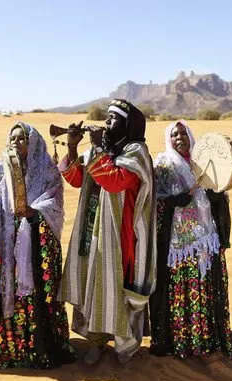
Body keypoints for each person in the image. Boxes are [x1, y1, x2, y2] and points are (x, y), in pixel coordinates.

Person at [59, 99, 156, 365]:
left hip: (122, 235)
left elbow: (116, 181)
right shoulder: (102, 149)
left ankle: (125, 344)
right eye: (107, 117)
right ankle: (97, 340)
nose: (106, 122)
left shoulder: (136, 151)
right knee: (94, 282)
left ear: (127, 123)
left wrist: (99, 148)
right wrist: (72, 145)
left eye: (113, 118)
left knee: (118, 286)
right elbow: (75, 179)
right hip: (94, 231)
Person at [0, 122, 75, 369]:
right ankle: (8, 346)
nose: (16, 143)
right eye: (13, 139)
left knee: (34, 291)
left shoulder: (48, 170)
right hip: (6, 241)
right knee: (5, 287)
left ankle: (37, 346)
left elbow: (54, 202)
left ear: (33, 143)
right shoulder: (0, 167)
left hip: (36, 243)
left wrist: (34, 212)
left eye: (22, 138)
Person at [149, 120, 232, 359]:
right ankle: (180, 340)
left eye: (183, 133)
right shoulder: (162, 165)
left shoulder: (203, 164)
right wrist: (172, 201)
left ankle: (206, 337)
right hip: (176, 244)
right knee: (179, 289)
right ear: (168, 139)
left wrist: (215, 195)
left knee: (205, 287)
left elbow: (219, 193)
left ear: (191, 137)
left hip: (206, 241)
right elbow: (152, 199)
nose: (180, 137)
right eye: (174, 134)